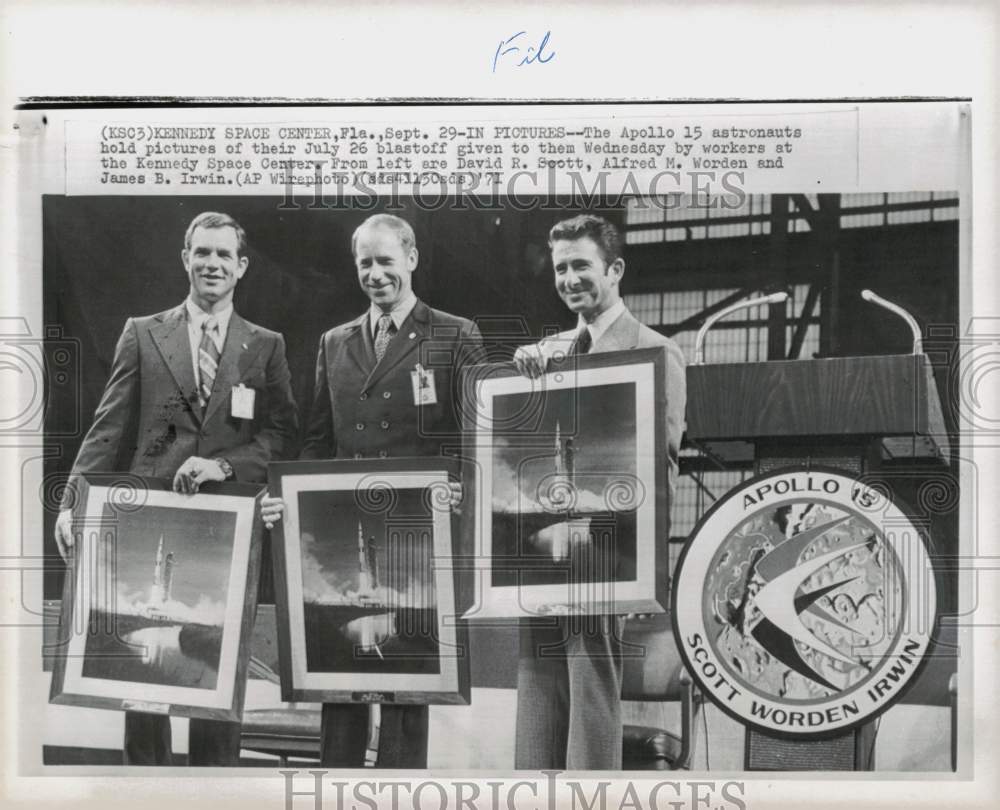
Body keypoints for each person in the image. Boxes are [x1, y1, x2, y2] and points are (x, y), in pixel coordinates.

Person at [55, 211, 299, 766]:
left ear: (241, 266)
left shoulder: (265, 346)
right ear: (185, 259)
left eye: (223, 255)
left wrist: (223, 467)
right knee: (146, 690)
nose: (212, 264)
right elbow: (108, 427)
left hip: (229, 534)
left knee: (216, 687)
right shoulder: (143, 333)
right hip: (153, 523)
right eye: (202, 252)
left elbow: (282, 434)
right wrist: (72, 502)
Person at [261, 213, 483, 768]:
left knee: (409, 688)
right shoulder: (334, 342)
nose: (376, 274)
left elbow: (479, 437)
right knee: (340, 683)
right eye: (366, 263)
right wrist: (289, 500)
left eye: (386, 260)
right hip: (345, 538)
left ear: (411, 258)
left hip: (416, 541)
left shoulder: (456, 334)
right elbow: (316, 442)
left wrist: (457, 485)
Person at [512, 213, 686, 770]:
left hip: (608, 556)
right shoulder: (549, 352)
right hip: (544, 553)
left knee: (590, 690)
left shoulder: (657, 351)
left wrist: (641, 574)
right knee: (537, 683)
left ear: (614, 270)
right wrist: (523, 377)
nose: (568, 279)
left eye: (581, 265)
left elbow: (662, 473)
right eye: (560, 268)